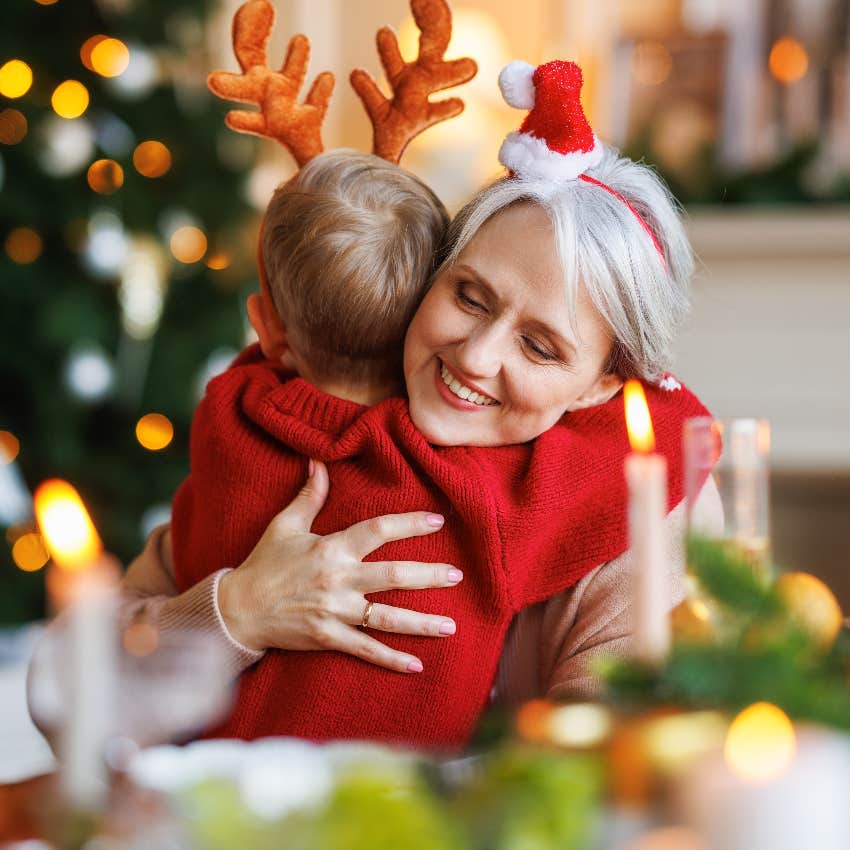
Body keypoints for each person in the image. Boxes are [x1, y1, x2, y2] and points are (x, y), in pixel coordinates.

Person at [31, 60, 721, 751]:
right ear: (432, 273)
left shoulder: (634, 493)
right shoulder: (286, 423)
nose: (476, 357)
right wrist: (234, 611)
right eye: (469, 296)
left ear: (607, 382)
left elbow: (617, 769)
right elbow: (59, 697)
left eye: (541, 347)